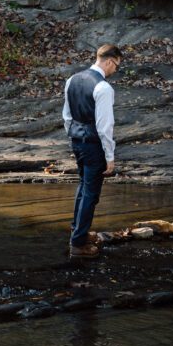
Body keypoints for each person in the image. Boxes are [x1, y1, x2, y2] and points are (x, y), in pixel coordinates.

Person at [63, 42, 123, 258]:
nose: (115, 70)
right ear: (110, 61)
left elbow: (67, 116)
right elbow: (105, 127)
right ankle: (78, 244)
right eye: (117, 66)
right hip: (93, 144)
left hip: (77, 141)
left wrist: (73, 135)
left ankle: (78, 231)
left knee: (83, 187)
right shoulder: (103, 88)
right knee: (91, 193)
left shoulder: (72, 79)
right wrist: (110, 156)